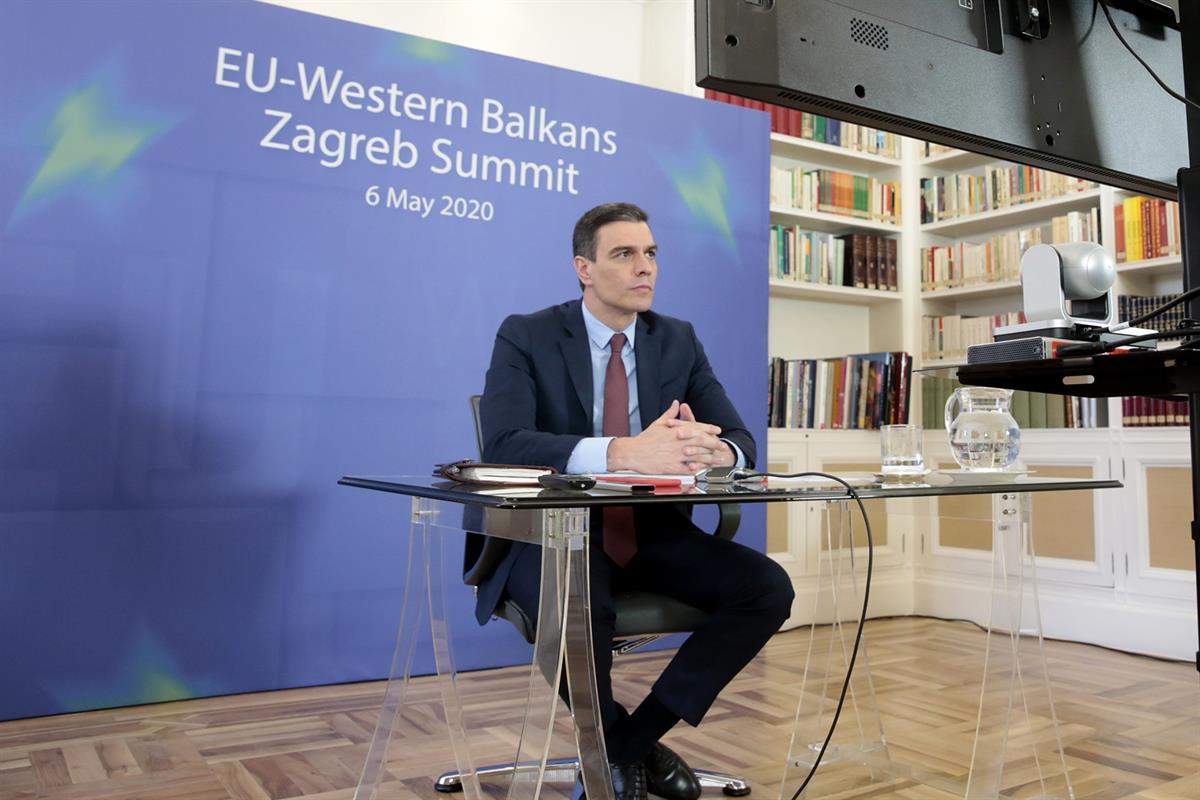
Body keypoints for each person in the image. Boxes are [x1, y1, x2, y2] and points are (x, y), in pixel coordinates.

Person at [475, 202, 794, 800]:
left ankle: (627, 744)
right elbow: (504, 443)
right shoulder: (528, 333)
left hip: (648, 533)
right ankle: (617, 752)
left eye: (650, 253)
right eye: (624, 254)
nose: (644, 267)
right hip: (545, 534)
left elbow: (741, 441)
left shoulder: (677, 339)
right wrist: (622, 453)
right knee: (579, 596)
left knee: (766, 588)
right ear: (584, 268)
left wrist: (715, 451)